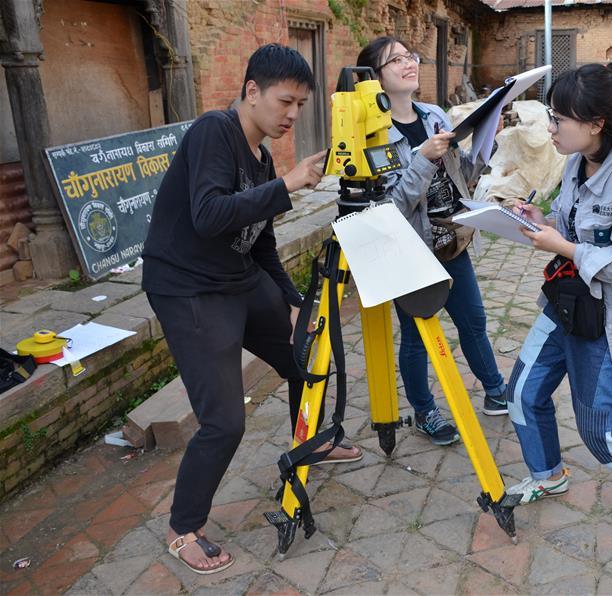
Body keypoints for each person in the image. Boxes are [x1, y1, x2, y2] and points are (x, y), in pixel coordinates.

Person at [142, 44, 361, 574]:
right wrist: (286, 186)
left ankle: (306, 444)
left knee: (307, 355)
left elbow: (258, 242)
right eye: (285, 101)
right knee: (224, 421)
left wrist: (290, 302)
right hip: (188, 288)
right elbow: (210, 215)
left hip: (237, 278)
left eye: (300, 106)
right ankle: (183, 527)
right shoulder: (213, 132)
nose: (291, 115)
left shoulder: (262, 157)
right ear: (252, 92)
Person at [508, 63, 612, 524]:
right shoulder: (577, 161)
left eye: (559, 118)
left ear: (596, 124)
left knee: (597, 425)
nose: (550, 127)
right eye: (551, 114)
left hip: (609, 316)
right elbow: (570, 222)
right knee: (522, 392)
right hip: (566, 302)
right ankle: (547, 473)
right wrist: (539, 222)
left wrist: (561, 245)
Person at [356, 37, 508, 446]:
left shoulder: (433, 114)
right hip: (409, 251)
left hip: (450, 240)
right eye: (396, 60)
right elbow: (390, 206)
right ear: (375, 77)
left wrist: (485, 138)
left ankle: (496, 391)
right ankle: (425, 412)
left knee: (473, 320)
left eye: (410, 56)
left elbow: (461, 176)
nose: (409, 64)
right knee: (418, 336)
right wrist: (422, 157)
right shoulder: (372, 134)